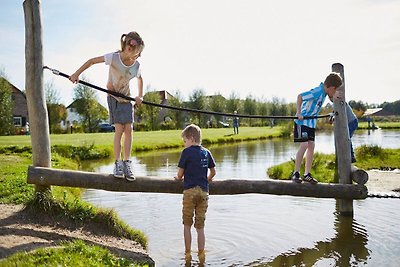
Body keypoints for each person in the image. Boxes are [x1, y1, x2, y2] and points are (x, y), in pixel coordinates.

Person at [69, 31, 144, 181]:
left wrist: (140, 96)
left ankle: (127, 163)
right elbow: (91, 61)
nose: (138, 56)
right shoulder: (113, 57)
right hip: (113, 96)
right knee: (119, 130)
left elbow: (140, 79)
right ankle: (118, 163)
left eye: (139, 54)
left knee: (129, 129)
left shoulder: (136, 65)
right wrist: (76, 74)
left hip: (126, 99)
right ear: (128, 47)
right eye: (137, 53)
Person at [174, 124, 216, 265]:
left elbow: (180, 175)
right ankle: (201, 255)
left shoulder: (186, 152)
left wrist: (178, 178)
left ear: (191, 139)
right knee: (200, 227)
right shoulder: (206, 152)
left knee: (187, 224)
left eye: (185, 141)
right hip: (204, 192)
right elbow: (213, 172)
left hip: (190, 192)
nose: (184, 144)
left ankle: (187, 254)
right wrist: (207, 180)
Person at [292, 73, 343, 184]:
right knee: (305, 145)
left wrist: (334, 95)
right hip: (302, 121)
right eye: (335, 90)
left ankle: (307, 174)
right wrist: (299, 112)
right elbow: (300, 96)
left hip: (311, 123)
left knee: (311, 146)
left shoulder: (324, 92)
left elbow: (330, 96)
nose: (334, 93)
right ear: (331, 88)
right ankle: (296, 173)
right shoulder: (317, 91)